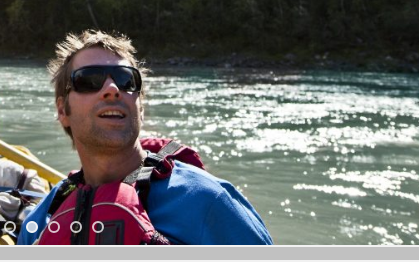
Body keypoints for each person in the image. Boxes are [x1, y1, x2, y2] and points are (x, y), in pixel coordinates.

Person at [16, 30, 273, 245]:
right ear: (63, 110)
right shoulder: (40, 223)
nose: (112, 89)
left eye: (127, 80)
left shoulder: (208, 202)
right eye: (89, 80)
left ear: (141, 105)